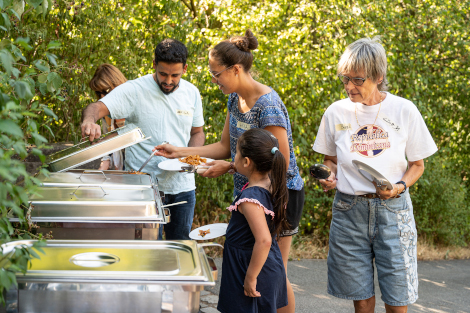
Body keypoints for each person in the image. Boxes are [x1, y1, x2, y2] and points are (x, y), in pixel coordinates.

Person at [153, 30, 303, 313]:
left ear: (236, 69)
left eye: (216, 74)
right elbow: (225, 146)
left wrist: (232, 166)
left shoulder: (267, 106)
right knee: (254, 270)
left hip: (278, 195)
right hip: (249, 194)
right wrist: (181, 151)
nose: (213, 80)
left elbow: (278, 161)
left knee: (274, 273)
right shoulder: (235, 100)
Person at [312, 37, 438, 313]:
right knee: (361, 296)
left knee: (397, 297)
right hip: (349, 211)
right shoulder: (336, 112)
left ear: (378, 77)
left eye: (358, 80)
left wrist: (399, 187)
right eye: (345, 78)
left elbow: (417, 164)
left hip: (393, 210)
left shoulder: (404, 110)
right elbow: (330, 160)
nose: (349, 86)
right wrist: (328, 176)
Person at [80, 39, 205, 240]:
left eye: (175, 75)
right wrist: (89, 120)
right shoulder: (134, 90)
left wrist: (189, 157)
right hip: (144, 187)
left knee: (181, 247)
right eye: (163, 74)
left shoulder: (192, 93)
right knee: (147, 251)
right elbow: (96, 107)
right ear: (154, 64)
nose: (169, 81)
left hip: (183, 186)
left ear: (185, 69)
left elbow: (197, 133)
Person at [217, 128, 288, 313]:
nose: (234, 158)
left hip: (250, 266)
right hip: (265, 263)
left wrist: (250, 276)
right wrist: (233, 166)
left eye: (237, 154)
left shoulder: (250, 198)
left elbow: (264, 240)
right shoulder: (273, 183)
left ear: (247, 161)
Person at [88, 63, 127, 170]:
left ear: (119, 84)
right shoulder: (107, 113)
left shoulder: (136, 104)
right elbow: (108, 150)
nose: (102, 97)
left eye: (106, 91)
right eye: (98, 93)